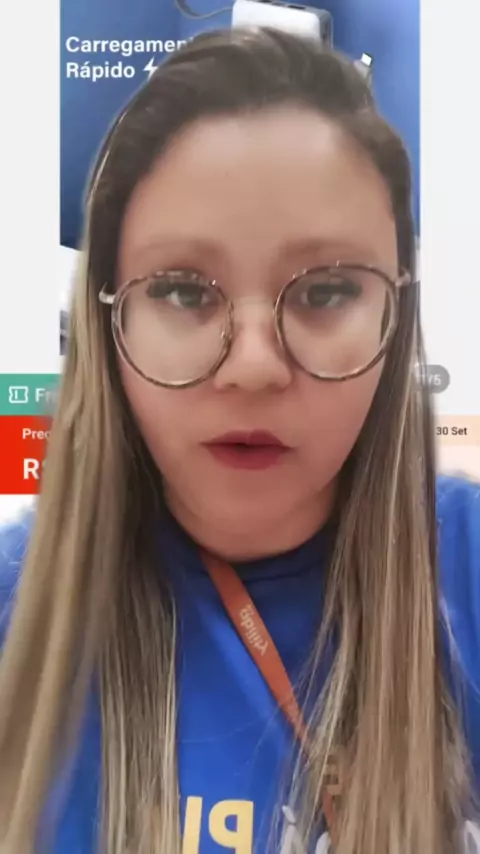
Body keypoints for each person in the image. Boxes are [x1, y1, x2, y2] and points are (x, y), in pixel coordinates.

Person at [0, 26, 479, 854]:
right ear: (108, 322)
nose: (254, 367)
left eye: (327, 290)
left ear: (396, 314)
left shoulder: (465, 566)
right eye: (184, 291)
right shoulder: (19, 605)